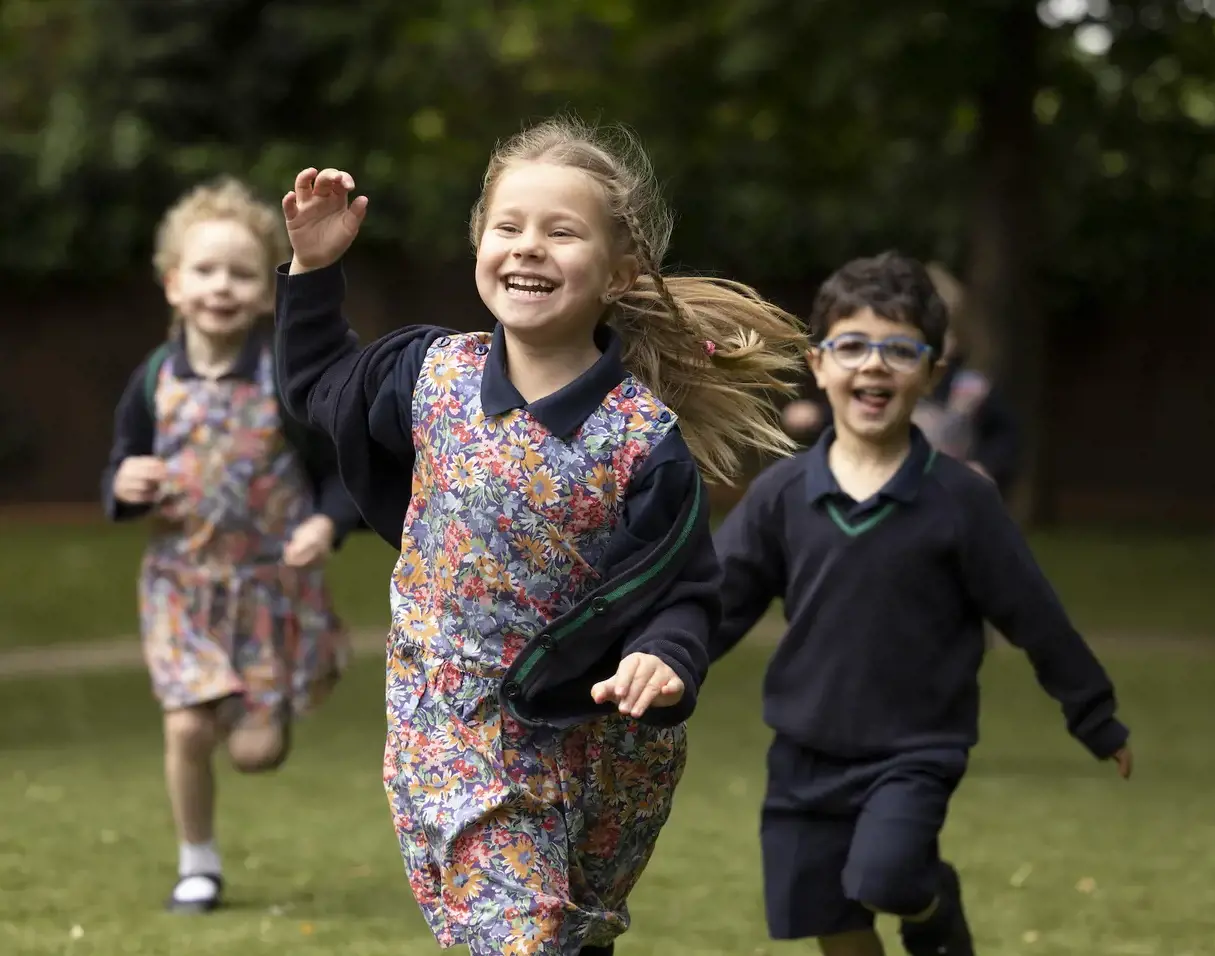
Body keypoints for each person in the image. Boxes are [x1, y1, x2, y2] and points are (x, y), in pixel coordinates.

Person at [271, 117, 810, 955]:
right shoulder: (429, 376)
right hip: (454, 727)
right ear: (480, 243)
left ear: (619, 271)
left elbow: (685, 588)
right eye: (509, 226)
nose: (529, 248)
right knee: (518, 936)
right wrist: (314, 268)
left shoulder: (642, 439)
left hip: (604, 751)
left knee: (569, 937)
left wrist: (665, 656)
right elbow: (318, 386)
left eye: (562, 232)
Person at [709, 251, 1132, 956]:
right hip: (803, 753)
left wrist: (1095, 716)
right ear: (818, 364)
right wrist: (652, 669)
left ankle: (936, 901)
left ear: (933, 372)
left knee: (888, 877)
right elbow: (713, 605)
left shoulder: (962, 502)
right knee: (835, 924)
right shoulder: (781, 495)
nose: (873, 366)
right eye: (851, 346)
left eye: (899, 350)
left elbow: (1035, 616)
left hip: (913, 752)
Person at [101, 177, 360, 914]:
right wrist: (127, 481)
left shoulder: (284, 382)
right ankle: (197, 863)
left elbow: (339, 474)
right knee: (185, 725)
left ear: (264, 293)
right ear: (174, 283)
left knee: (256, 753)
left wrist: (325, 523)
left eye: (242, 273)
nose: (223, 286)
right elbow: (117, 470)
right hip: (183, 585)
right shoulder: (153, 382)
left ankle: (272, 698)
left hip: (272, 590)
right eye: (206, 270)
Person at [780, 263, 1021, 495]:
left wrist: (986, 466)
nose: (877, 364)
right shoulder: (784, 491)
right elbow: (851, 413)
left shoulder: (972, 389)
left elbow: (1006, 437)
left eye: (937, 336)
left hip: (948, 496)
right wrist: (817, 415)